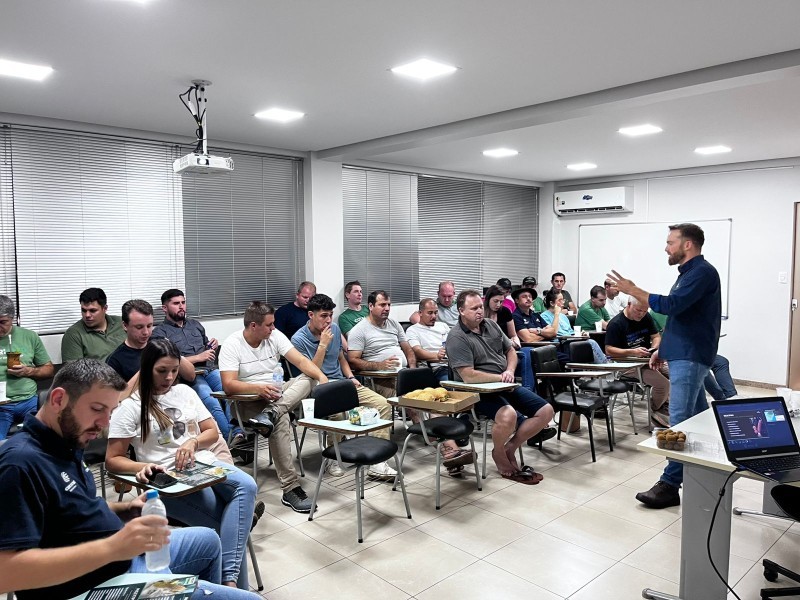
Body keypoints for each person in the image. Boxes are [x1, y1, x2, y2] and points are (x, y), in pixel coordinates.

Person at [0, 359, 258, 600]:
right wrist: (114, 547)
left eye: (109, 412)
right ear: (58, 399)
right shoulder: (20, 464)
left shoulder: (66, 440)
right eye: (97, 409)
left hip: (118, 560)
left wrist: (125, 510)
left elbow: (66, 509)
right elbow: (6, 573)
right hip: (94, 586)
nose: (103, 424)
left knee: (209, 540)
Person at [106, 339, 258, 589]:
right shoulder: (132, 406)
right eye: (162, 371)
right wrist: (141, 468)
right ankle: (235, 588)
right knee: (230, 526)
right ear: (147, 368)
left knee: (247, 487)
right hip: (169, 481)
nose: (169, 377)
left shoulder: (185, 392)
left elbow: (211, 431)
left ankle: (229, 582)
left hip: (202, 465)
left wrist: (193, 443)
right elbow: (112, 459)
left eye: (174, 370)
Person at [608, 222, 721, 509]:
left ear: (687, 245)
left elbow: (671, 306)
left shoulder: (702, 273)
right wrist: (662, 349)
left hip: (691, 354)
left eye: (670, 242)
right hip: (682, 352)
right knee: (697, 417)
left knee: (680, 420)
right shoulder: (688, 274)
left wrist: (634, 289)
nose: (666, 247)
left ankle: (669, 485)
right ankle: (706, 468)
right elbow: (678, 318)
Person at [218, 301, 328, 513]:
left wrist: (322, 378)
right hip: (247, 401)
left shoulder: (274, 336)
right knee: (281, 419)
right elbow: (228, 384)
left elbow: (302, 362)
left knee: (309, 376)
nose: (273, 328)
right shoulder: (233, 344)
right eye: (269, 325)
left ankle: (272, 412)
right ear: (253, 326)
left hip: (276, 395)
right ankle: (290, 488)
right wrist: (258, 389)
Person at [446, 290, 555, 483]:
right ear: (461, 311)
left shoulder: (490, 325)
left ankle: (507, 449)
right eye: (474, 308)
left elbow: (510, 351)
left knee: (546, 411)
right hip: (475, 392)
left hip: (504, 383)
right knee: (508, 414)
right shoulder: (457, 337)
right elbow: (468, 376)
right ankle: (500, 454)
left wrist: (510, 371)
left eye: (481, 306)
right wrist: (499, 377)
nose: (480, 311)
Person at [291, 293, 398, 480]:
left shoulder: (333, 328)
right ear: (311, 315)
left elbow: (341, 357)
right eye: (323, 315)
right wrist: (322, 345)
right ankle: (334, 455)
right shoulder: (298, 340)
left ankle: (377, 462)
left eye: (331, 315)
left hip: (342, 383)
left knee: (382, 403)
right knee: (337, 413)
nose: (329, 320)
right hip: (317, 387)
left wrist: (349, 376)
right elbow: (311, 372)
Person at [151, 289, 234, 439]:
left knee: (230, 390)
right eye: (176, 303)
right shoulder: (159, 333)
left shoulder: (195, 325)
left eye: (183, 302)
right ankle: (231, 437)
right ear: (165, 308)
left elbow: (205, 348)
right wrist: (197, 357)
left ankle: (237, 433)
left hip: (209, 369)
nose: (181, 306)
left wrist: (211, 345)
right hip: (191, 375)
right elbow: (169, 362)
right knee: (211, 400)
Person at [604, 297, 671, 427]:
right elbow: (609, 350)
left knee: (675, 373)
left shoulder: (646, 317)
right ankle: (656, 410)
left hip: (646, 358)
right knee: (663, 384)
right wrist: (632, 352)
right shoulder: (616, 323)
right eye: (638, 310)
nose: (641, 314)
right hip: (628, 364)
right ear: (629, 305)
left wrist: (654, 349)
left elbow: (656, 336)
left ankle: (663, 406)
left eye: (645, 311)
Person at [0, 295, 54, 440]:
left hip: (28, 401)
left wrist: (29, 371)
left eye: (3, 322)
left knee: (42, 440)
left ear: (12, 319)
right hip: (1, 407)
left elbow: (49, 370)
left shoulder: (29, 337)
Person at [106, 299, 196, 385]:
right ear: (125, 326)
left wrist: (172, 350)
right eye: (139, 327)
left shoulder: (161, 343)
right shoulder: (115, 360)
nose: (146, 332)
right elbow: (116, 396)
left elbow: (191, 376)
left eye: (149, 326)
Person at [347, 290, 416, 398]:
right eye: (382, 305)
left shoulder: (394, 324)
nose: (387, 308)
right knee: (410, 403)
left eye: (389, 305)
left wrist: (412, 369)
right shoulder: (358, 330)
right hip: (380, 378)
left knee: (428, 398)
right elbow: (352, 361)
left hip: (404, 374)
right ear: (370, 306)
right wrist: (380, 366)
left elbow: (408, 349)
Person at [540, 288, 607, 364]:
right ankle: (605, 365)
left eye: (563, 300)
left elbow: (570, 332)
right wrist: (557, 314)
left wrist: (580, 334)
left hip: (571, 340)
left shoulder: (563, 316)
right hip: (561, 343)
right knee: (591, 343)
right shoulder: (544, 316)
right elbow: (553, 333)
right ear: (552, 303)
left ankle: (602, 366)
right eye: (560, 300)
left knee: (591, 342)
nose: (563, 303)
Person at [61, 287, 126, 361]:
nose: (87, 315)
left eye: (92, 310)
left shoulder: (122, 323)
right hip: (98, 372)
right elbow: (73, 371)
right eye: (84, 310)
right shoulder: (74, 334)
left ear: (105, 308)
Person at [406, 298, 451, 381]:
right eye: (430, 313)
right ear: (420, 313)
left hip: (453, 365)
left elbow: (454, 342)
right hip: (436, 368)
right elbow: (418, 352)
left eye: (436, 312)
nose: (434, 316)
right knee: (454, 385)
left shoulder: (443, 326)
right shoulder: (412, 330)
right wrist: (437, 356)